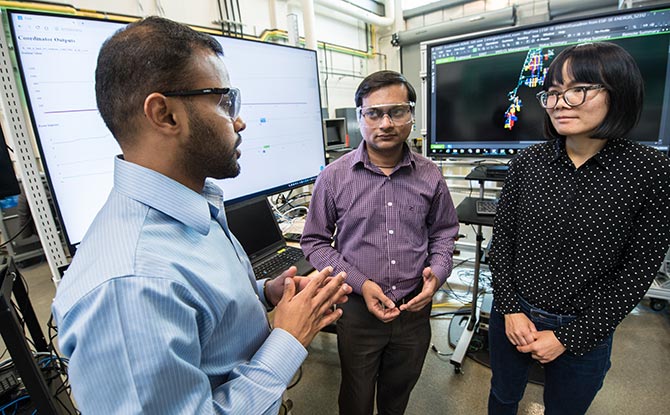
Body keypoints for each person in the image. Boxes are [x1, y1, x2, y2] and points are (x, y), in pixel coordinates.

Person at [52, 16, 352, 415]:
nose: (239, 120)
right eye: (225, 102)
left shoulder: (194, 205)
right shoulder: (130, 288)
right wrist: (288, 338)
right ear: (165, 114)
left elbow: (201, 313)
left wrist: (262, 293)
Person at [488, 42, 670, 415]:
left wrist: (570, 337)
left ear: (618, 93)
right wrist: (509, 308)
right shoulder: (528, 162)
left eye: (578, 90)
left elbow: (638, 270)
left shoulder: (650, 171)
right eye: (553, 93)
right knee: (503, 396)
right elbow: (503, 239)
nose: (559, 103)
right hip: (514, 314)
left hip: (587, 326)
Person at [301, 70, 460, 415]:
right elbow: (314, 241)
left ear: (412, 116)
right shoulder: (333, 177)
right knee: (356, 398)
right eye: (374, 113)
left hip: (414, 309)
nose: (386, 123)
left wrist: (440, 270)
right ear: (359, 118)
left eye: (397, 111)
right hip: (357, 310)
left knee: (398, 393)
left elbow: (445, 230)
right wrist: (361, 283)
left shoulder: (430, 174)